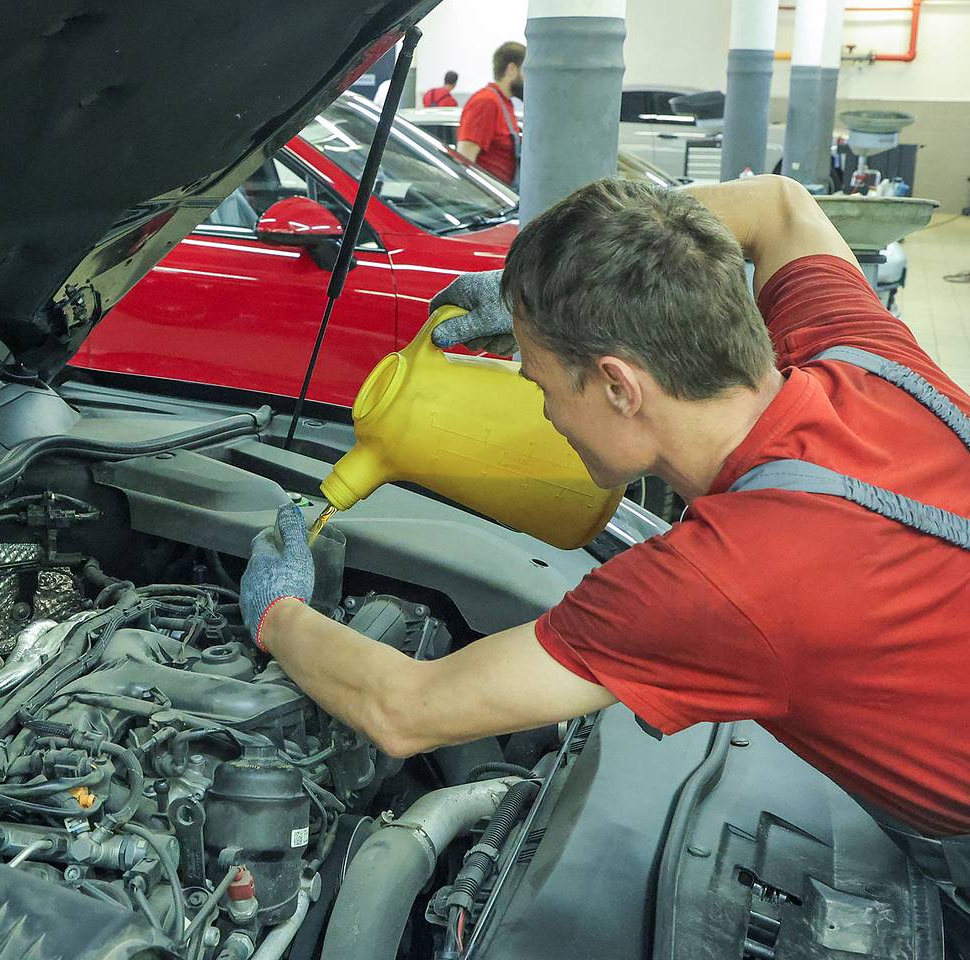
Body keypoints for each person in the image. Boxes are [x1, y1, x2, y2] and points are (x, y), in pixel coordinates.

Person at [239, 174, 970, 944]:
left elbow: (405, 709)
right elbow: (780, 205)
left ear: (620, 385)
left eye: (540, 379)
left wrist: (279, 614)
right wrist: (536, 286)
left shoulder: (723, 580)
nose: (545, 409)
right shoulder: (864, 356)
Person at [456, 41, 523, 186]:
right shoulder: (486, 102)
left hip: (503, 197)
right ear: (511, 69)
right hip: (485, 202)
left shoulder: (505, 104)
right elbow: (464, 161)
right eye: (526, 72)